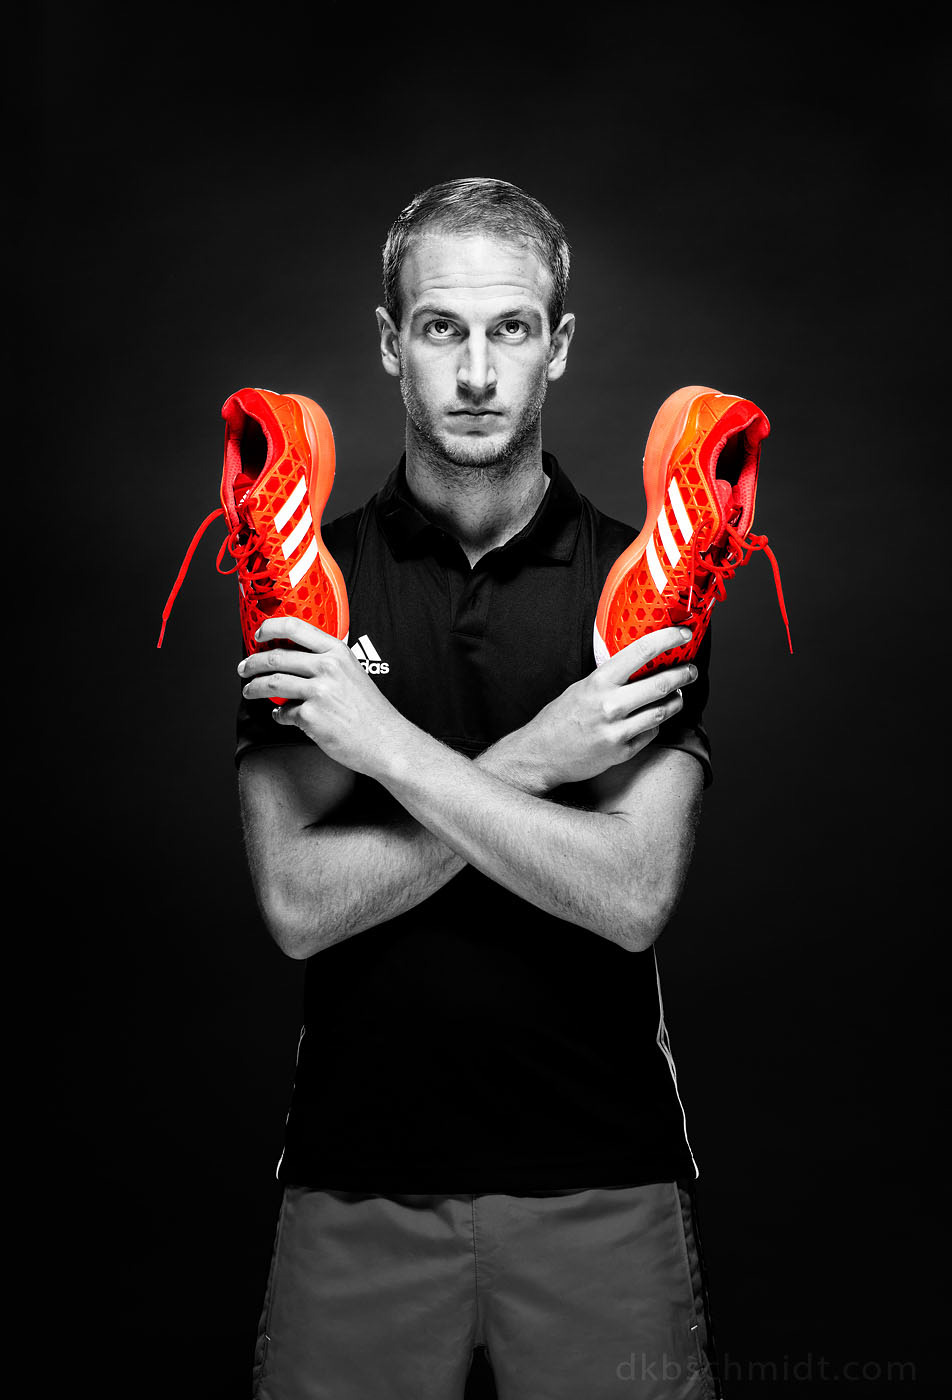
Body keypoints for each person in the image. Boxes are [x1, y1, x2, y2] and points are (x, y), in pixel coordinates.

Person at [236, 177, 720, 1399]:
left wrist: (385, 748)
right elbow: (298, 902)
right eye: (440, 327)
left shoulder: (646, 584)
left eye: (510, 329)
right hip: (355, 1176)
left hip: (603, 1174)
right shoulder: (303, 580)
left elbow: (629, 896)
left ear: (558, 344)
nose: (474, 372)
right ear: (389, 340)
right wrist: (541, 758)